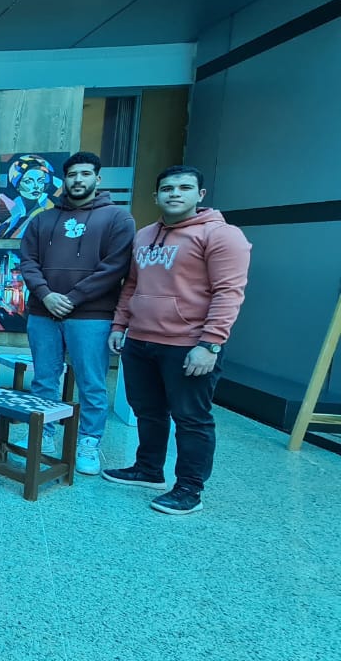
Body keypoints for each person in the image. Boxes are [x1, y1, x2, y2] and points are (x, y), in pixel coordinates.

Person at [103, 165, 251, 515]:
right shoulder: (145, 235)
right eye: (167, 188)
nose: (175, 194)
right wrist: (120, 325)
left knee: (191, 418)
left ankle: (189, 489)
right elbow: (132, 285)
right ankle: (148, 469)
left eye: (184, 188)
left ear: (200, 195)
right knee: (148, 411)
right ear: (156, 196)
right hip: (141, 340)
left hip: (189, 344)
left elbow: (228, 293)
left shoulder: (221, 235)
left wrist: (210, 344)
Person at [17, 151, 136, 474]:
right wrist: (46, 295)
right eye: (72, 175)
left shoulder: (118, 218)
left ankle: (89, 441)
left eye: (85, 174)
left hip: (92, 315)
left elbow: (115, 267)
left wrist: (71, 298)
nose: (78, 180)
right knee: (44, 380)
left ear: (97, 179)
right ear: (64, 179)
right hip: (43, 312)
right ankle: (44, 435)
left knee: (92, 383)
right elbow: (28, 261)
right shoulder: (42, 219)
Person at [0, 154, 60, 239]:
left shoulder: (49, 211)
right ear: (17, 185)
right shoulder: (13, 213)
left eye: (40, 181)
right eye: (28, 182)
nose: (36, 186)